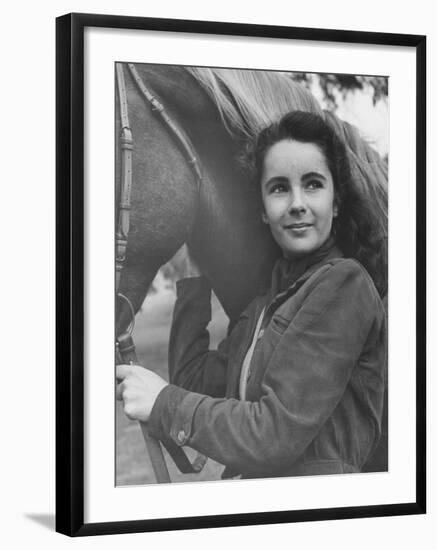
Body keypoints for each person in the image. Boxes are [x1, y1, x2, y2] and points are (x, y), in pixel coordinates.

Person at [116, 111, 387, 479]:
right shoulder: (266, 304)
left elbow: (273, 434)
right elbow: (193, 381)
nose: (296, 203)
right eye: (279, 188)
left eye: (312, 184)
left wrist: (164, 403)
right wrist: (196, 274)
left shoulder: (345, 284)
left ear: (336, 202)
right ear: (262, 210)